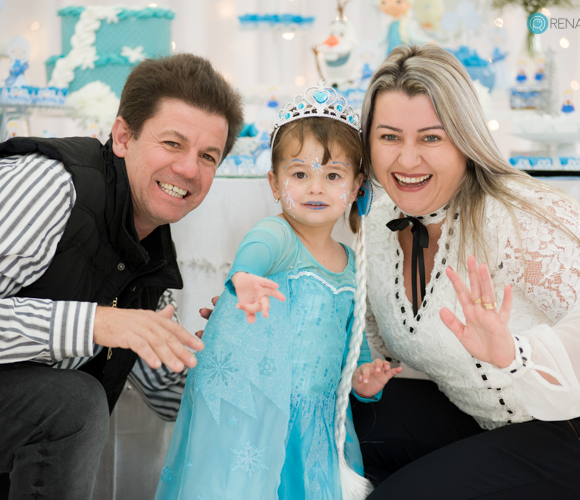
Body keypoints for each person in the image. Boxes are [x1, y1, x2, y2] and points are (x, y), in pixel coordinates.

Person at [351, 44, 580, 499]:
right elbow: (377, 349)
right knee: (339, 424)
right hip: (494, 425)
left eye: (430, 138)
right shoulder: (377, 223)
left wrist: (517, 353)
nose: (406, 160)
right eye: (389, 137)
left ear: (464, 139)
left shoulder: (514, 214)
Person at [0, 54, 243, 499]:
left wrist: (230, 350)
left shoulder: (149, 250)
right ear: (123, 136)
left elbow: (164, 396)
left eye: (208, 156)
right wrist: (97, 322)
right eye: (173, 143)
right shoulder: (47, 184)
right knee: (75, 404)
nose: (190, 169)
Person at [155, 82, 401, 500]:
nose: (315, 187)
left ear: (357, 185)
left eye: (333, 175)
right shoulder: (279, 236)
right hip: (264, 414)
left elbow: (352, 343)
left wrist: (365, 379)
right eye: (300, 174)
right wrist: (245, 278)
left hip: (318, 422)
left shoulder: (351, 264)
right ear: (274, 182)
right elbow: (255, 253)